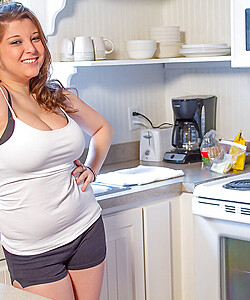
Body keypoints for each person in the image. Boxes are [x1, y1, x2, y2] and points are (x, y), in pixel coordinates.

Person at [0, 2, 113, 300]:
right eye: (16, 41)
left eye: (35, 37)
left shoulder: (54, 94)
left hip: (86, 227)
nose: (31, 48)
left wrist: (92, 168)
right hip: (33, 251)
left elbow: (103, 129)